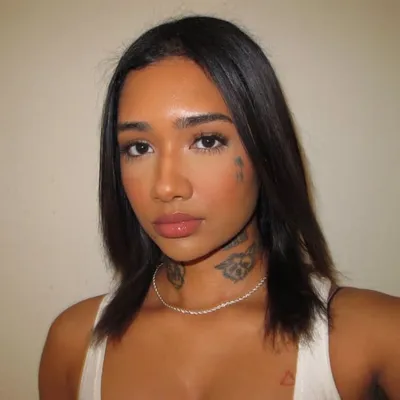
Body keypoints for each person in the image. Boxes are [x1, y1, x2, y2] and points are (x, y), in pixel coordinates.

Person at [39, 15, 400, 399]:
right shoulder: (73, 343)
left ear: (265, 150)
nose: (166, 187)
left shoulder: (378, 338)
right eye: (139, 147)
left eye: (207, 141)